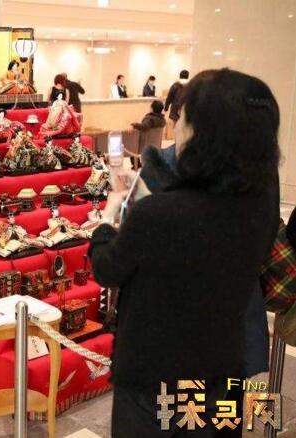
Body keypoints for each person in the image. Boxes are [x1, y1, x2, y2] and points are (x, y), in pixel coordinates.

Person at [89, 68, 280, 437]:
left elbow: (108, 268)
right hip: (221, 370)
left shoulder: (157, 214)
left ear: (204, 133)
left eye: (184, 117)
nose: (177, 127)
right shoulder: (258, 210)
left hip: (152, 377)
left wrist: (107, 220)